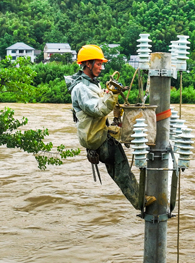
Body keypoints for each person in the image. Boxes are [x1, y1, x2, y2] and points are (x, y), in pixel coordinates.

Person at [66, 44, 155, 209]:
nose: (101, 67)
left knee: (127, 136)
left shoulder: (91, 85)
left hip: (97, 134)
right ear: (87, 64)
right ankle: (140, 201)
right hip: (97, 138)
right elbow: (98, 109)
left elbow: (102, 102)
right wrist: (113, 94)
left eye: (101, 64)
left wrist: (111, 98)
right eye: (98, 64)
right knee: (121, 169)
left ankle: (140, 196)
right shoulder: (81, 89)